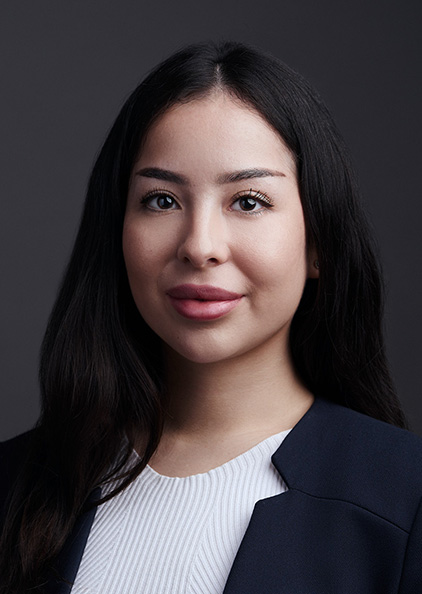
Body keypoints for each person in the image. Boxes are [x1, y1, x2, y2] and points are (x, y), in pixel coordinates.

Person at [0, 40, 421, 594]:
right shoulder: (14, 486)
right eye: (162, 200)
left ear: (318, 242)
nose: (200, 246)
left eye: (248, 201)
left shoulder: (405, 497)